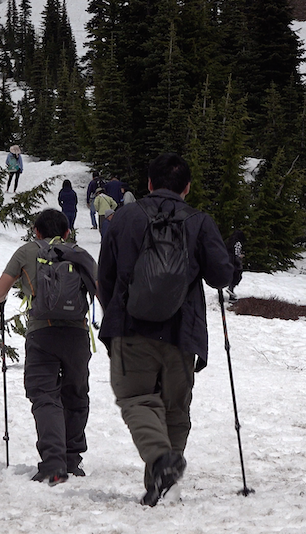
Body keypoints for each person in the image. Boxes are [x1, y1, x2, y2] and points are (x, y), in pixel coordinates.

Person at [98, 153, 233, 507]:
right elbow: (221, 276)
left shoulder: (124, 217)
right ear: (187, 187)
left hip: (131, 329)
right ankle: (163, 483)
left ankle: (160, 462)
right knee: (175, 409)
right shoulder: (199, 222)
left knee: (136, 398)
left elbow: (106, 276)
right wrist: (234, 262)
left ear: (148, 183)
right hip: (181, 334)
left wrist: (114, 317)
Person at [0, 209, 98, 486]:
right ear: (67, 233)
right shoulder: (79, 254)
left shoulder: (26, 251)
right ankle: (73, 461)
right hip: (76, 335)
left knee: (45, 396)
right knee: (75, 395)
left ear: (36, 232)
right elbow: (102, 290)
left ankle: (53, 465)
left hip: (42, 333)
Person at [225, 229, 245, 301]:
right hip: (234, 261)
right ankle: (231, 289)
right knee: (237, 275)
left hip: (228, 260)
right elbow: (236, 253)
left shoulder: (229, 241)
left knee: (232, 275)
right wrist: (241, 256)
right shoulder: (238, 243)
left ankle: (231, 295)